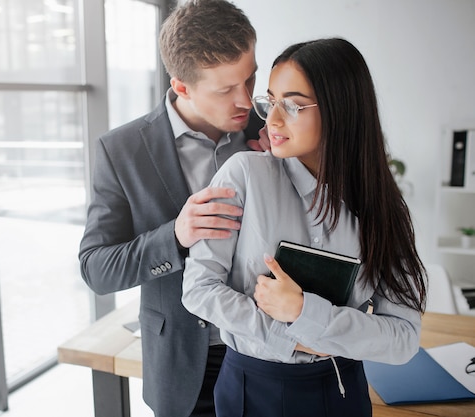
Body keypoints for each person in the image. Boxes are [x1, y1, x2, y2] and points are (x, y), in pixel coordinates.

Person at [182, 37, 428, 417]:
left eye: (293, 105)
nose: (273, 120)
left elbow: (403, 338)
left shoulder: (383, 208)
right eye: (271, 101)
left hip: (341, 390)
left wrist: (303, 312)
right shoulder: (243, 175)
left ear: (340, 109)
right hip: (251, 387)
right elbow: (199, 289)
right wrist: (290, 335)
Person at [78, 1, 265, 416]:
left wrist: (290, 166)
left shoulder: (271, 132)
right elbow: (96, 268)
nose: (246, 99)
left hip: (270, 355)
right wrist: (175, 237)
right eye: (225, 89)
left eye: (250, 79)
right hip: (185, 369)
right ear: (181, 86)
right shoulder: (121, 150)